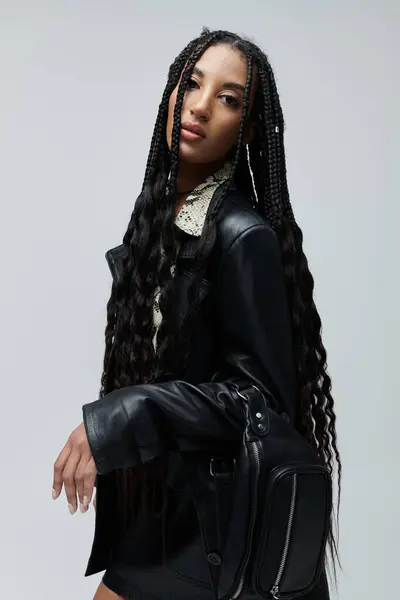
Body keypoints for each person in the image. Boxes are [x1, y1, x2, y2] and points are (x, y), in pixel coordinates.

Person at [52, 28, 341, 600]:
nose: (201, 106)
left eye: (230, 99)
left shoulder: (242, 237)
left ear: (248, 130)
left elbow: (261, 402)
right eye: (192, 83)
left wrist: (127, 412)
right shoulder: (158, 227)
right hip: (159, 523)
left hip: (217, 538)